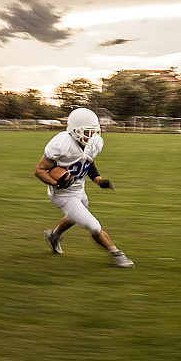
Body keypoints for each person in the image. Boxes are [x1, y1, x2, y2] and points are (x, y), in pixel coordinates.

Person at [34, 108, 134, 268]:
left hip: (79, 190)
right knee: (93, 225)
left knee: (74, 217)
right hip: (62, 194)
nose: (91, 136)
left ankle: (54, 236)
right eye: (87, 132)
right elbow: (39, 170)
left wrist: (98, 179)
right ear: (75, 131)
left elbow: (88, 161)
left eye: (93, 131)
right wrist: (56, 183)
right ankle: (116, 254)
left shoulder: (94, 143)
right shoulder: (61, 144)